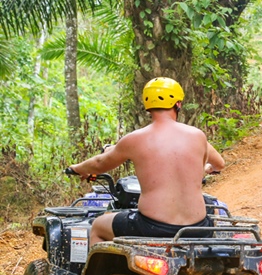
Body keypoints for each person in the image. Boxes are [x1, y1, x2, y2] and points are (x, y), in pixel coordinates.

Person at [68, 77, 226, 244]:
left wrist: (78, 168)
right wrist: (206, 169)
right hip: (197, 228)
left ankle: (102, 263)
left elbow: (99, 163)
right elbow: (219, 164)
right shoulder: (198, 136)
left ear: (147, 104)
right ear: (178, 103)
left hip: (152, 227)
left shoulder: (135, 139)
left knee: (98, 226)